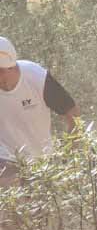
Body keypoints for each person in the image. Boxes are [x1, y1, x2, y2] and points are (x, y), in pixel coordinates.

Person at [0, 36, 79, 183]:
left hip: (43, 159)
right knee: (8, 183)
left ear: (8, 68)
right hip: (6, 157)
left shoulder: (36, 77)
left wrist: (70, 154)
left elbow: (72, 113)